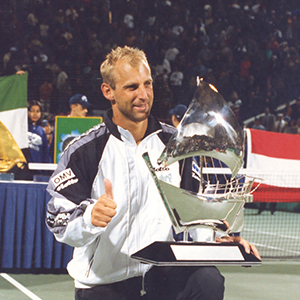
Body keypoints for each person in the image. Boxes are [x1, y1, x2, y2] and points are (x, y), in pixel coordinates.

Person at [46, 46, 260, 300]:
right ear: (108, 91)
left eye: (147, 84)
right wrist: (90, 217)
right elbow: (57, 219)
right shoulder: (84, 151)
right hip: (106, 283)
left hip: (161, 275)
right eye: (132, 87)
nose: (143, 94)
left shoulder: (177, 144)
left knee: (207, 280)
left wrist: (217, 246)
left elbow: (196, 214)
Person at [27, 100, 50, 176]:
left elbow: (45, 152)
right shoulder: (23, 127)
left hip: (38, 170)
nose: (35, 114)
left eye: (37, 111)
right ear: (28, 112)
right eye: (32, 111)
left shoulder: (41, 131)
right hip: (25, 169)